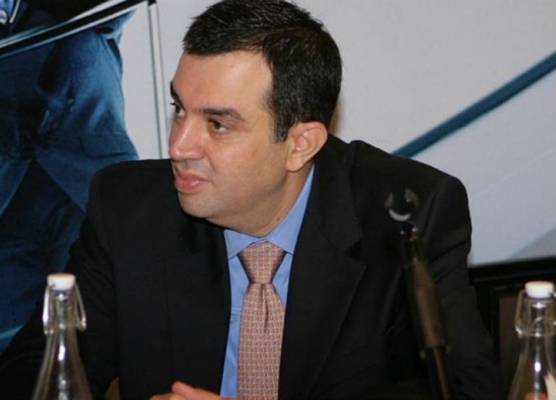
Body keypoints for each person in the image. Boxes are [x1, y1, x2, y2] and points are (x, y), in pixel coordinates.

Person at [0, 0, 500, 398]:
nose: (179, 146)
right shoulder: (128, 208)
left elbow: (465, 390)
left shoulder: (407, 216)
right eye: (179, 109)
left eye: (217, 124)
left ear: (300, 144)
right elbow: (37, 370)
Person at [0, 0, 137, 351]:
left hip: (85, 185)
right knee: (16, 354)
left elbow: (110, 11)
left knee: (108, 334)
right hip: (7, 205)